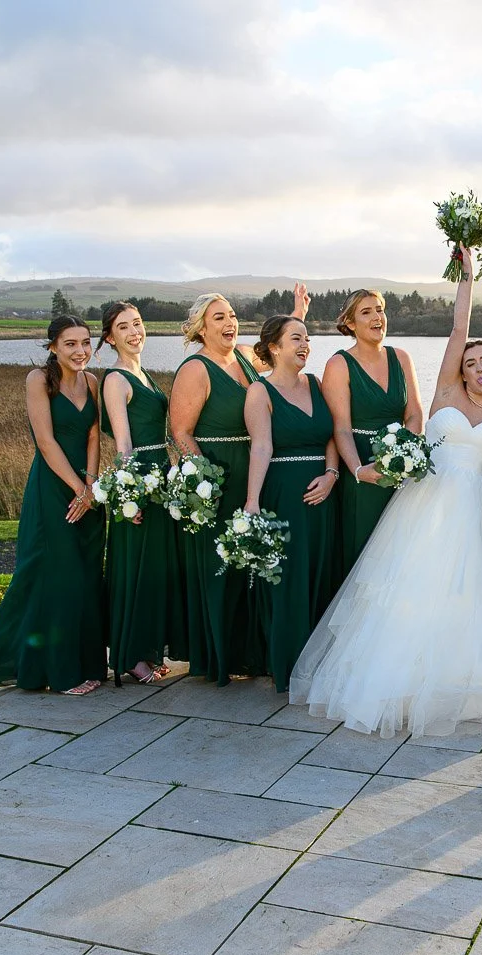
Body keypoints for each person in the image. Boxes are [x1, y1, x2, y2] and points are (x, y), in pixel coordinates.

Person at [289, 246, 482, 736]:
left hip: (471, 514)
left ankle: (459, 679)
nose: (478, 367)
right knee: (406, 588)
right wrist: (467, 278)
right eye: (470, 362)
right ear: (461, 370)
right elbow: (458, 329)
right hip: (425, 504)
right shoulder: (446, 395)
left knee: (465, 593)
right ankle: (396, 679)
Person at [170, 286, 308, 685]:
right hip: (217, 477)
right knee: (221, 569)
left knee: (253, 566)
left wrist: (297, 314)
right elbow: (181, 432)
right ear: (201, 328)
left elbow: (278, 350)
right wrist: (203, 482)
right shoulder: (195, 369)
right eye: (219, 317)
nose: (229, 322)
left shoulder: (246, 356)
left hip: (253, 471)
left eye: (231, 315)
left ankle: (251, 654)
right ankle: (217, 658)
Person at [0, 316, 105, 694]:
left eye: (85, 342)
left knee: (86, 576)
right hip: (52, 489)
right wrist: (78, 490)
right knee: (57, 575)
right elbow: (46, 443)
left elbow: (93, 435)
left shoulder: (92, 382)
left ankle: (87, 664)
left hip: (87, 489)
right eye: (70, 344)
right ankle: (59, 673)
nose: (80, 351)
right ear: (53, 346)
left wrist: (91, 486)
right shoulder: (38, 380)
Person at [243, 314, 341, 693]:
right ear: (274, 347)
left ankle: (319, 665)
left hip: (324, 494)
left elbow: (332, 434)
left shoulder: (316, 384)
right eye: (296, 339)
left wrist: (331, 474)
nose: (305, 346)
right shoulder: (260, 392)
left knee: (321, 570)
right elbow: (261, 447)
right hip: (284, 497)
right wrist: (253, 502)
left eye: (307, 339)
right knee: (288, 578)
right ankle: (288, 665)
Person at [100, 302, 188, 684]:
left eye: (137, 324)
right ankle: (130, 656)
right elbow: (123, 445)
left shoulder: (144, 374)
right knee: (135, 569)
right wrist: (129, 496)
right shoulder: (116, 380)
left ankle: (150, 651)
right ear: (110, 337)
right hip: (140, 482)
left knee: (156, 569)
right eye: (123, 327)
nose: (134, 332)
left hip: (161, 476)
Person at [322, 290, 425, 577]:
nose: (377, 317)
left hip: (401, 468)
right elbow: (340, 427)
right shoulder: (339, 364)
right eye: (366, 312)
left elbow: (414, 413)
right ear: (350, 323)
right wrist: (358, 470)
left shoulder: (401, 358)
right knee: (362, 550)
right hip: (361, 469)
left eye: (379, 309)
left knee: (400, 552)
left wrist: (405, 453)